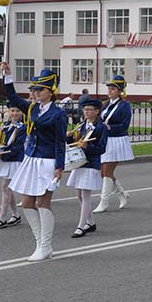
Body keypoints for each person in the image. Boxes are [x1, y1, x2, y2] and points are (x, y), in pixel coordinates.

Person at [0, 62, 68, 261]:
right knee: (27, 202)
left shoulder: (58, 114)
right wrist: (8, 75)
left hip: (48, 161)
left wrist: (59, 166)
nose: (35, 92)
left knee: (43, 202)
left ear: (50, 91)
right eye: (34, 89)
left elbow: (60, 141)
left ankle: (45, 245)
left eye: (40, 89)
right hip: (30, 160)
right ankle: (40, 242)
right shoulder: (32, 108)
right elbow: (12, 97)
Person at [65, 98, 108, 237]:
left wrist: (88, 146)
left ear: (97, 111)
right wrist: (69, 138)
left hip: (91, 163)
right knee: (79, 194)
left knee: (85, 194)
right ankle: (90, 222)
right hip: (79, 162)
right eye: (85, 110)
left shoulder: (101, 127)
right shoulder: (82, 125)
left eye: (90, 110)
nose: (87, 112)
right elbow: (76, 143)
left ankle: (81, 226)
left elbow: (101, 148)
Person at [94, 75, 133, 213]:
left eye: (113, 88)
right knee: (103, 172)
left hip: (117, 140)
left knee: (107, 172)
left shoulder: (125, 106)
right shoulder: (105, 104)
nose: (109, 90)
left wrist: (110, 128)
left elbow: (125, 125)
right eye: (109, 88)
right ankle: (121, 193)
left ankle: (104, 202)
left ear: (120, 91)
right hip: (105, 140)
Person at [0, 103, 26, 229]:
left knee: (6, 187)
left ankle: (2, 217)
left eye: (17, 111)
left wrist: (2, 156)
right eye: (12, 110)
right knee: (6, 188)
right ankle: (15, 214)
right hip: (6, 159)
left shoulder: (23, 128)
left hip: (15, 159)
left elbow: (17, 147)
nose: (14, 113)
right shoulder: (5, 126)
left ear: (22, 113)